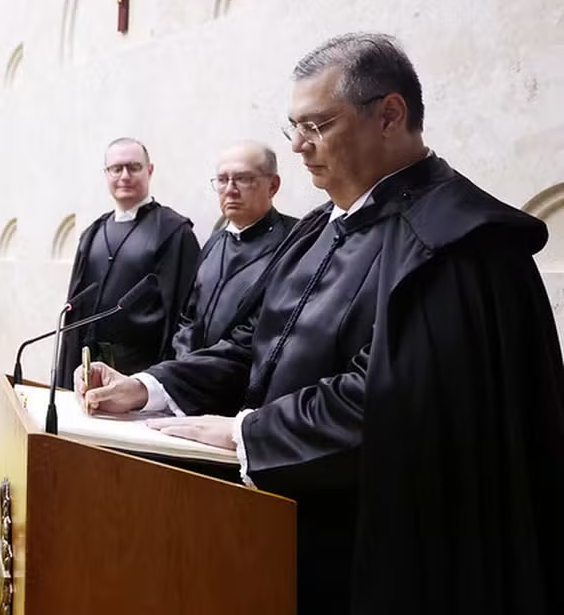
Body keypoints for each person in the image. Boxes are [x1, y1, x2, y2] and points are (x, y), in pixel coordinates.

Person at [75, 33, 564, 614]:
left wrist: (249, 434)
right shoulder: (317, 229)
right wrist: (152, 387)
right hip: (286, 522)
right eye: (294, 128)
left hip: (387, 547)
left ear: (390, 115)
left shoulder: (455, 245)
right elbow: (257, 347)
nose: (301, 147)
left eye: (317, 126)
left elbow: (395, 400)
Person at [57, 137, 200, 388]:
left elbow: (185, 317)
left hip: (142, 375)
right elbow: (75, 312)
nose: (125, 176)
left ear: (149, 170)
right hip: (88, 369)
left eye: (134, 167)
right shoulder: (92, 233)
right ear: (106, 173)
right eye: (116, 168)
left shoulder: (172, 231)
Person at [171, 142, 297, 359]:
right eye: (222, 180)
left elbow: (272, 331)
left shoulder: (296, 241)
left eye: (243, 179)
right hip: (192, 379)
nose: (230, 189)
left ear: (273, 185)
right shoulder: (215, 241)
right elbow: (188, 317)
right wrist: (184, 362)